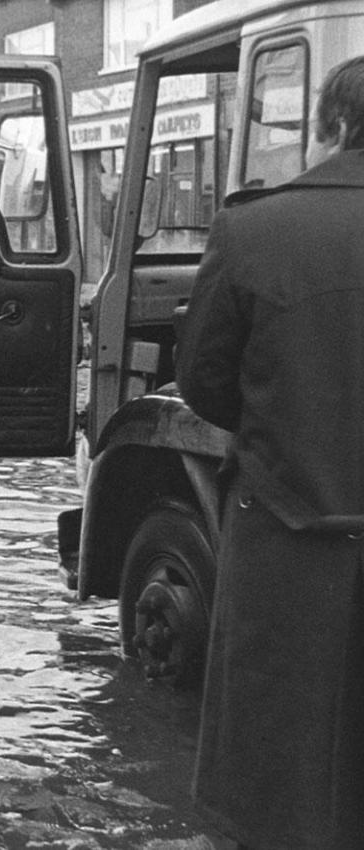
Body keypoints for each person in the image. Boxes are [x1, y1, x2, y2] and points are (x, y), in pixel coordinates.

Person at [177, 56, 364, 850]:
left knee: (273, 781)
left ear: (330, 124)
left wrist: (286, 428)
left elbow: (205, 384)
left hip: (289, 541)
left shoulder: (252, 228)